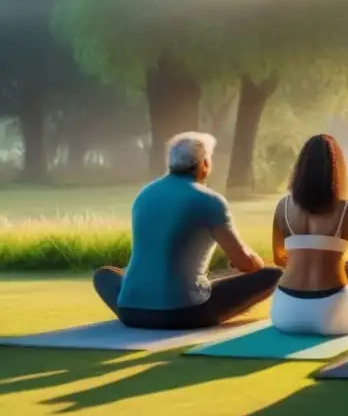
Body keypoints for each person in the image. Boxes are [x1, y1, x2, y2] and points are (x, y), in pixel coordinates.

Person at [92, 132, 282, 330]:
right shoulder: (209, 200)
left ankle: (144, 304)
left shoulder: (145, 195)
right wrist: (259, 264)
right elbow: (244, 261)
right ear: (204, 164)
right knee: (273, 274)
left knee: (103, 275)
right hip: (184, 313)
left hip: (130, 312)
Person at [268, 134, 348, 336]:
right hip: (331, 312)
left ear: (301, 168)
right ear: (337, 170)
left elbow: (279, 259)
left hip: (284, 313)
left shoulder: (282, 207)